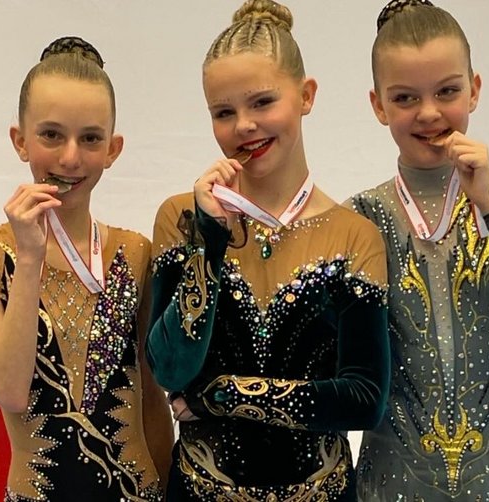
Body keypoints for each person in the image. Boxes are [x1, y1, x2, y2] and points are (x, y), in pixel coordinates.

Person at [145, 1, 391, 499]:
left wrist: (222, 394)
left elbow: (364, 400)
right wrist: (211, 242)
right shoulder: (182, 219)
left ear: (306, 95)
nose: (244, 125)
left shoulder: (354, 235)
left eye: (262, 102)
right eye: (224, 112)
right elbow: (170, 369)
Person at [346, 1, 489, 500]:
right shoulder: (358, 219)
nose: (429, 112)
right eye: (405, 97)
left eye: (447, 91)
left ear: (474, 88)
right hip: (394, 484)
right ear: (378, 105)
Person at [0, 36, 172, 501]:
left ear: (113, 149)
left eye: (90, 138)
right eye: (51, 135)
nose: (70, 158)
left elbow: (152, 399)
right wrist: (29, 257)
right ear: (20, 141)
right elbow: (11, 391)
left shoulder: (135, 253)